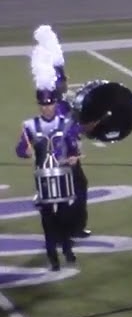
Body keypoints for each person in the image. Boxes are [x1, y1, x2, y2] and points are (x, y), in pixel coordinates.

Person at [17, 46, 80, 271]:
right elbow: (21, 147)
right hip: (43, 177)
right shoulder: (30, 125)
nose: (47, 108)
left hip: (62, 175)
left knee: (63, 216)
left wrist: (73, 157)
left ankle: (67, 249)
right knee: (47, 220)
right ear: (39, 105)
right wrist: (25, 151)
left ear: (55, 103)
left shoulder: (65, 123)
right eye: (43, 104)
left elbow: (72, 145)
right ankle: (52, 256)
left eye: (50, 103)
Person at [33, 26, 90, 238]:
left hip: (66, 155)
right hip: (61, 158)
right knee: (66, 192)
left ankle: (71, 228)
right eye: (64, 80)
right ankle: (68, 230)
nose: (67, 82)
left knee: (69, 191)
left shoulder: (59, 102)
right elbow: (66, 130)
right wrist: (87, 127)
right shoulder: (58, 105)